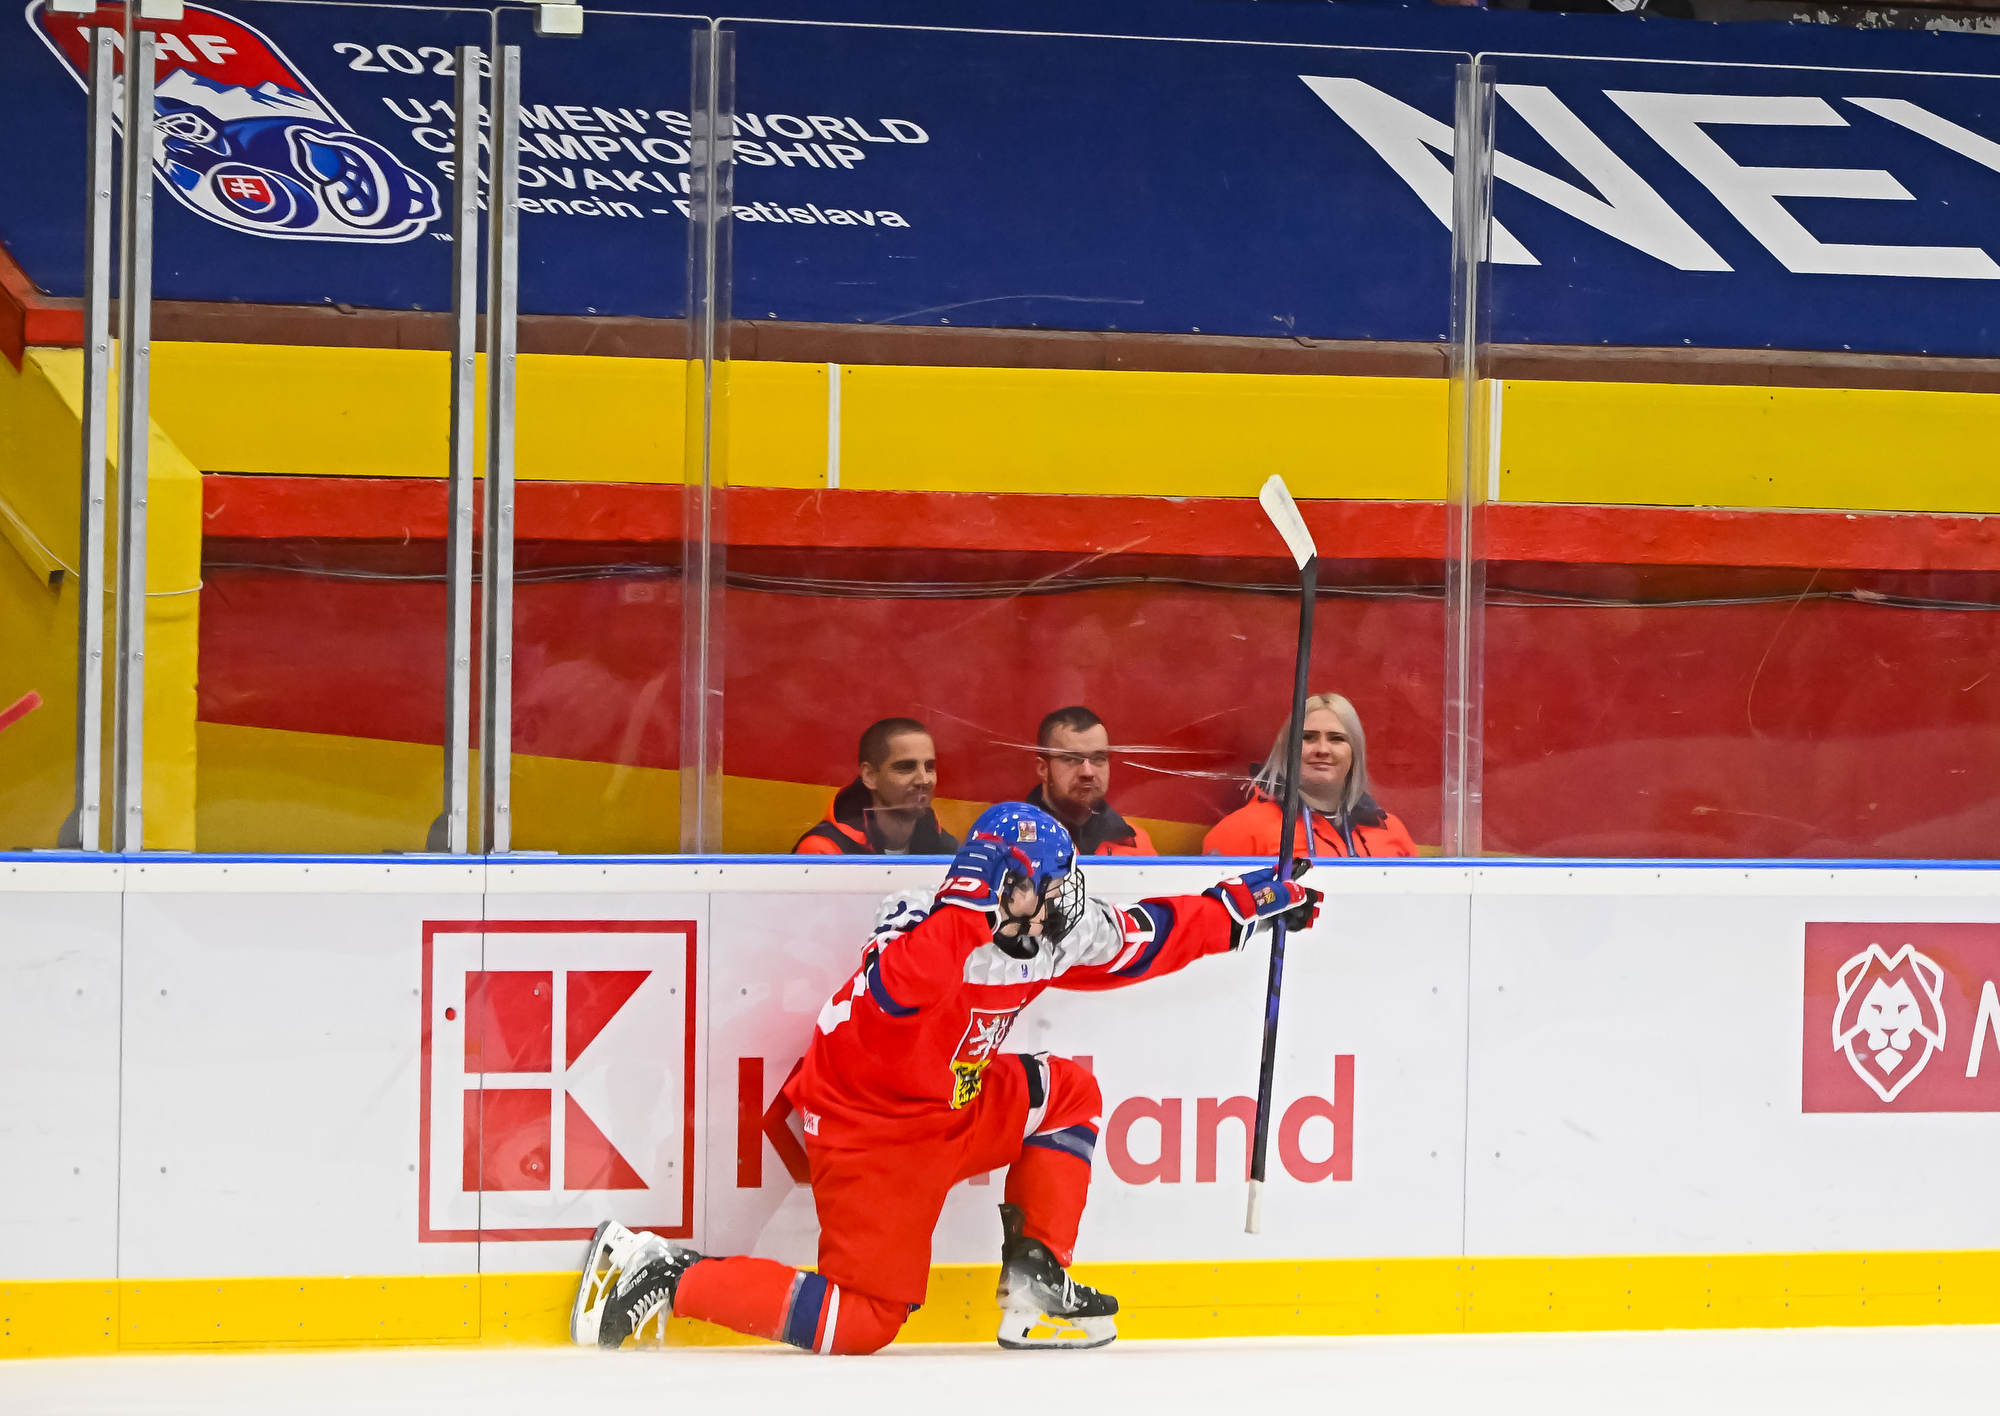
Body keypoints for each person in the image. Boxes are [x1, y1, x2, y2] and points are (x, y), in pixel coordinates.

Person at [571, 802, 1322, 1356]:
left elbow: (1143, 939)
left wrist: (1246, 905)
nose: (1067, 896)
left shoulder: (1045, 932)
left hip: (956, 1104)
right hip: (871, 1132)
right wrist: (965, 911)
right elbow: (898, 992)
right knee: (862, 1322)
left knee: (1068, 1094)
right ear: (1004, 887)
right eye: (1050, 884)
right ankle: (660, 1271)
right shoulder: (914, 929)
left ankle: (1036, 1283)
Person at [1203, 693, 1418, 859]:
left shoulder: (1392, 830)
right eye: (1307, 737)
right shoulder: (1241, 831)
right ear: (1286, 749)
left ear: (1354, 753)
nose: (1322, 749)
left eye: (1337, 738)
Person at [795, 717, 959, 855]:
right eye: (905, 767)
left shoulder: (944, 846)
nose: (923, 780)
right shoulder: (824, 851)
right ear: (869, 776)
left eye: (929, 767)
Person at [1024, 706, 1156, 856]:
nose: (1088, 772)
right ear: (1043, 769)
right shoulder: (1012, 842)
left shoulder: (1136, 843)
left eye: (1098, 758)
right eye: (1071, 759)